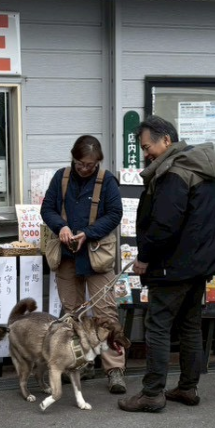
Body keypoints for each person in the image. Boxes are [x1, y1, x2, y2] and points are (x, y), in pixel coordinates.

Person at [119, 116, 215, 413]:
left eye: (147, 146)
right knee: (190, 325)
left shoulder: (173, 174)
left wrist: (144, 258)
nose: (145, 153)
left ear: (166, 140)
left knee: (158, 326)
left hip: (173, 265)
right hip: (197, 265)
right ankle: (187, 387)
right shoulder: (198, 168)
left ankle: (152, 393)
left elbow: (164, 225)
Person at [41, 135, 126, 394]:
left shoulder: (107, 180)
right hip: (67, 256)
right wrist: (62, 226)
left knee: (106, 314)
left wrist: (88, 232)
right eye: (81, 163)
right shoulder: (62, 177)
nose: (85, 168)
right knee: (72, 313)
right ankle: (79, 364)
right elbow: (47, 209)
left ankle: (114, 370)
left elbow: (115, 214)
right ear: (73, 158)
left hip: (97, 256)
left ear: (98, 161)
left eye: (90, 164)